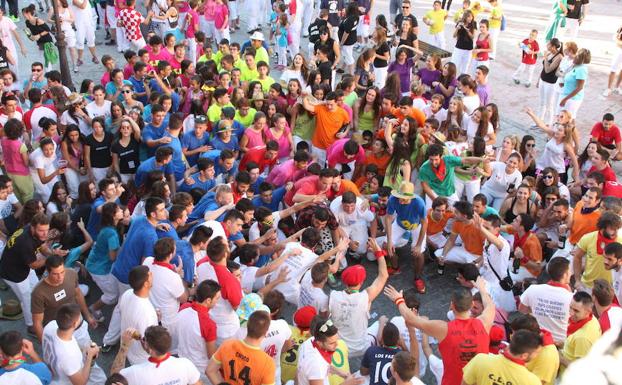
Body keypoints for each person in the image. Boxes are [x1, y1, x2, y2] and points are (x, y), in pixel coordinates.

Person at [384, 277, 494, 385]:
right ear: (471, 305)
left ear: (452, 305)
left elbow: (411, 319)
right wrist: (482, 289)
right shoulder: (484, 323)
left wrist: (398, 299)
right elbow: (490, 305)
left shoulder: (444, 329)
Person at [329, 238, 388, 357]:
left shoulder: (333, 296)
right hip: (362, 347)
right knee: (383, 322)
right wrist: (378, 252)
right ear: (361, 283)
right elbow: (383, 275)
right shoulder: (365, 297)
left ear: (345, 282)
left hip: (339, 348)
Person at [0, 213, 51, 335]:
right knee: (28, 299)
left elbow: (41, 245)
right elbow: (33, 265)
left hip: (21, 266)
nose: (45, 233)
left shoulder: (30, 228)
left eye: (47, 230)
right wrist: (51, 259)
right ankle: (31, 326)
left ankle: (39, 310)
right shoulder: (25, 242)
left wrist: (52, 253)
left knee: (36, 288)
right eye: (41, 231)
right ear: (33, 228)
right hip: (14, 274)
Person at [31, 255, 98, 342]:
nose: (60, 277)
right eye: (55, 274)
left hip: (77, 322)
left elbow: (78, 294)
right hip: (58, 331)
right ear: (48, 271)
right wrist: (45, 344)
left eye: (62, 272)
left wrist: (88, 316)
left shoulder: (72, 274)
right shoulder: (38, 292)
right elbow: (37, 322)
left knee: (87, 348)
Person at [111, 326, 201, 385]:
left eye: (144, 340)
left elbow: (114, 377)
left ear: (150, 349)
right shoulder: (185, 364)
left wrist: (124, 346)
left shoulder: (135, 372)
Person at [206, 310, 276, 385]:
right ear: (265, 333)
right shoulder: (268, 363)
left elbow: (210, 371)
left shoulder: (227, 345)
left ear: (247, 326)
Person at [42, 303, 104, 385]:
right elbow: (80, 383)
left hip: (52, 374)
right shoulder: (69, 355)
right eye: (79, 317)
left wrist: (84, 350)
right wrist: (89, 357)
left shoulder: (50, 326)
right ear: (74, 324)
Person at [462, 330, 543, 385]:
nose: (537, 355)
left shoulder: (480, 359)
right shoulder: (532, 381)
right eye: (537, 352)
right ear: (524, 355)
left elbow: (465, 383)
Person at [176, 279, 220, 373]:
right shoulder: (208, 324)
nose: (217, 302)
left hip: (181, 364)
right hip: (200, 369)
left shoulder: (183, 308)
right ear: (208, 300)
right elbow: (211, 355)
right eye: (217, 298)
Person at [574, 212, 622, 293]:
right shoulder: (588, 238)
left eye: (617, 229)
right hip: (588, 286)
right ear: (602, 228)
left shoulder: (620, 241)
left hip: (611, 289)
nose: (616, 232)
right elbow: (577, 257)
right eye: (612, 229)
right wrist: (577, 280)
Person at [559, 291, 602, 372]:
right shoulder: (592, 318)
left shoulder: (582, 338)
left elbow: (581, 369)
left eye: (576, 311)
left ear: (588, 311)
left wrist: (560, 358)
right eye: (570, 307)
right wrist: (563, 344)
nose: (571, 313)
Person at [602, 25, 622, 98]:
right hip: (619, 50)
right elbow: (615, 37)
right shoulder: (621, 27)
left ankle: (617, 87)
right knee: (613, 69)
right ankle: (609, 88)